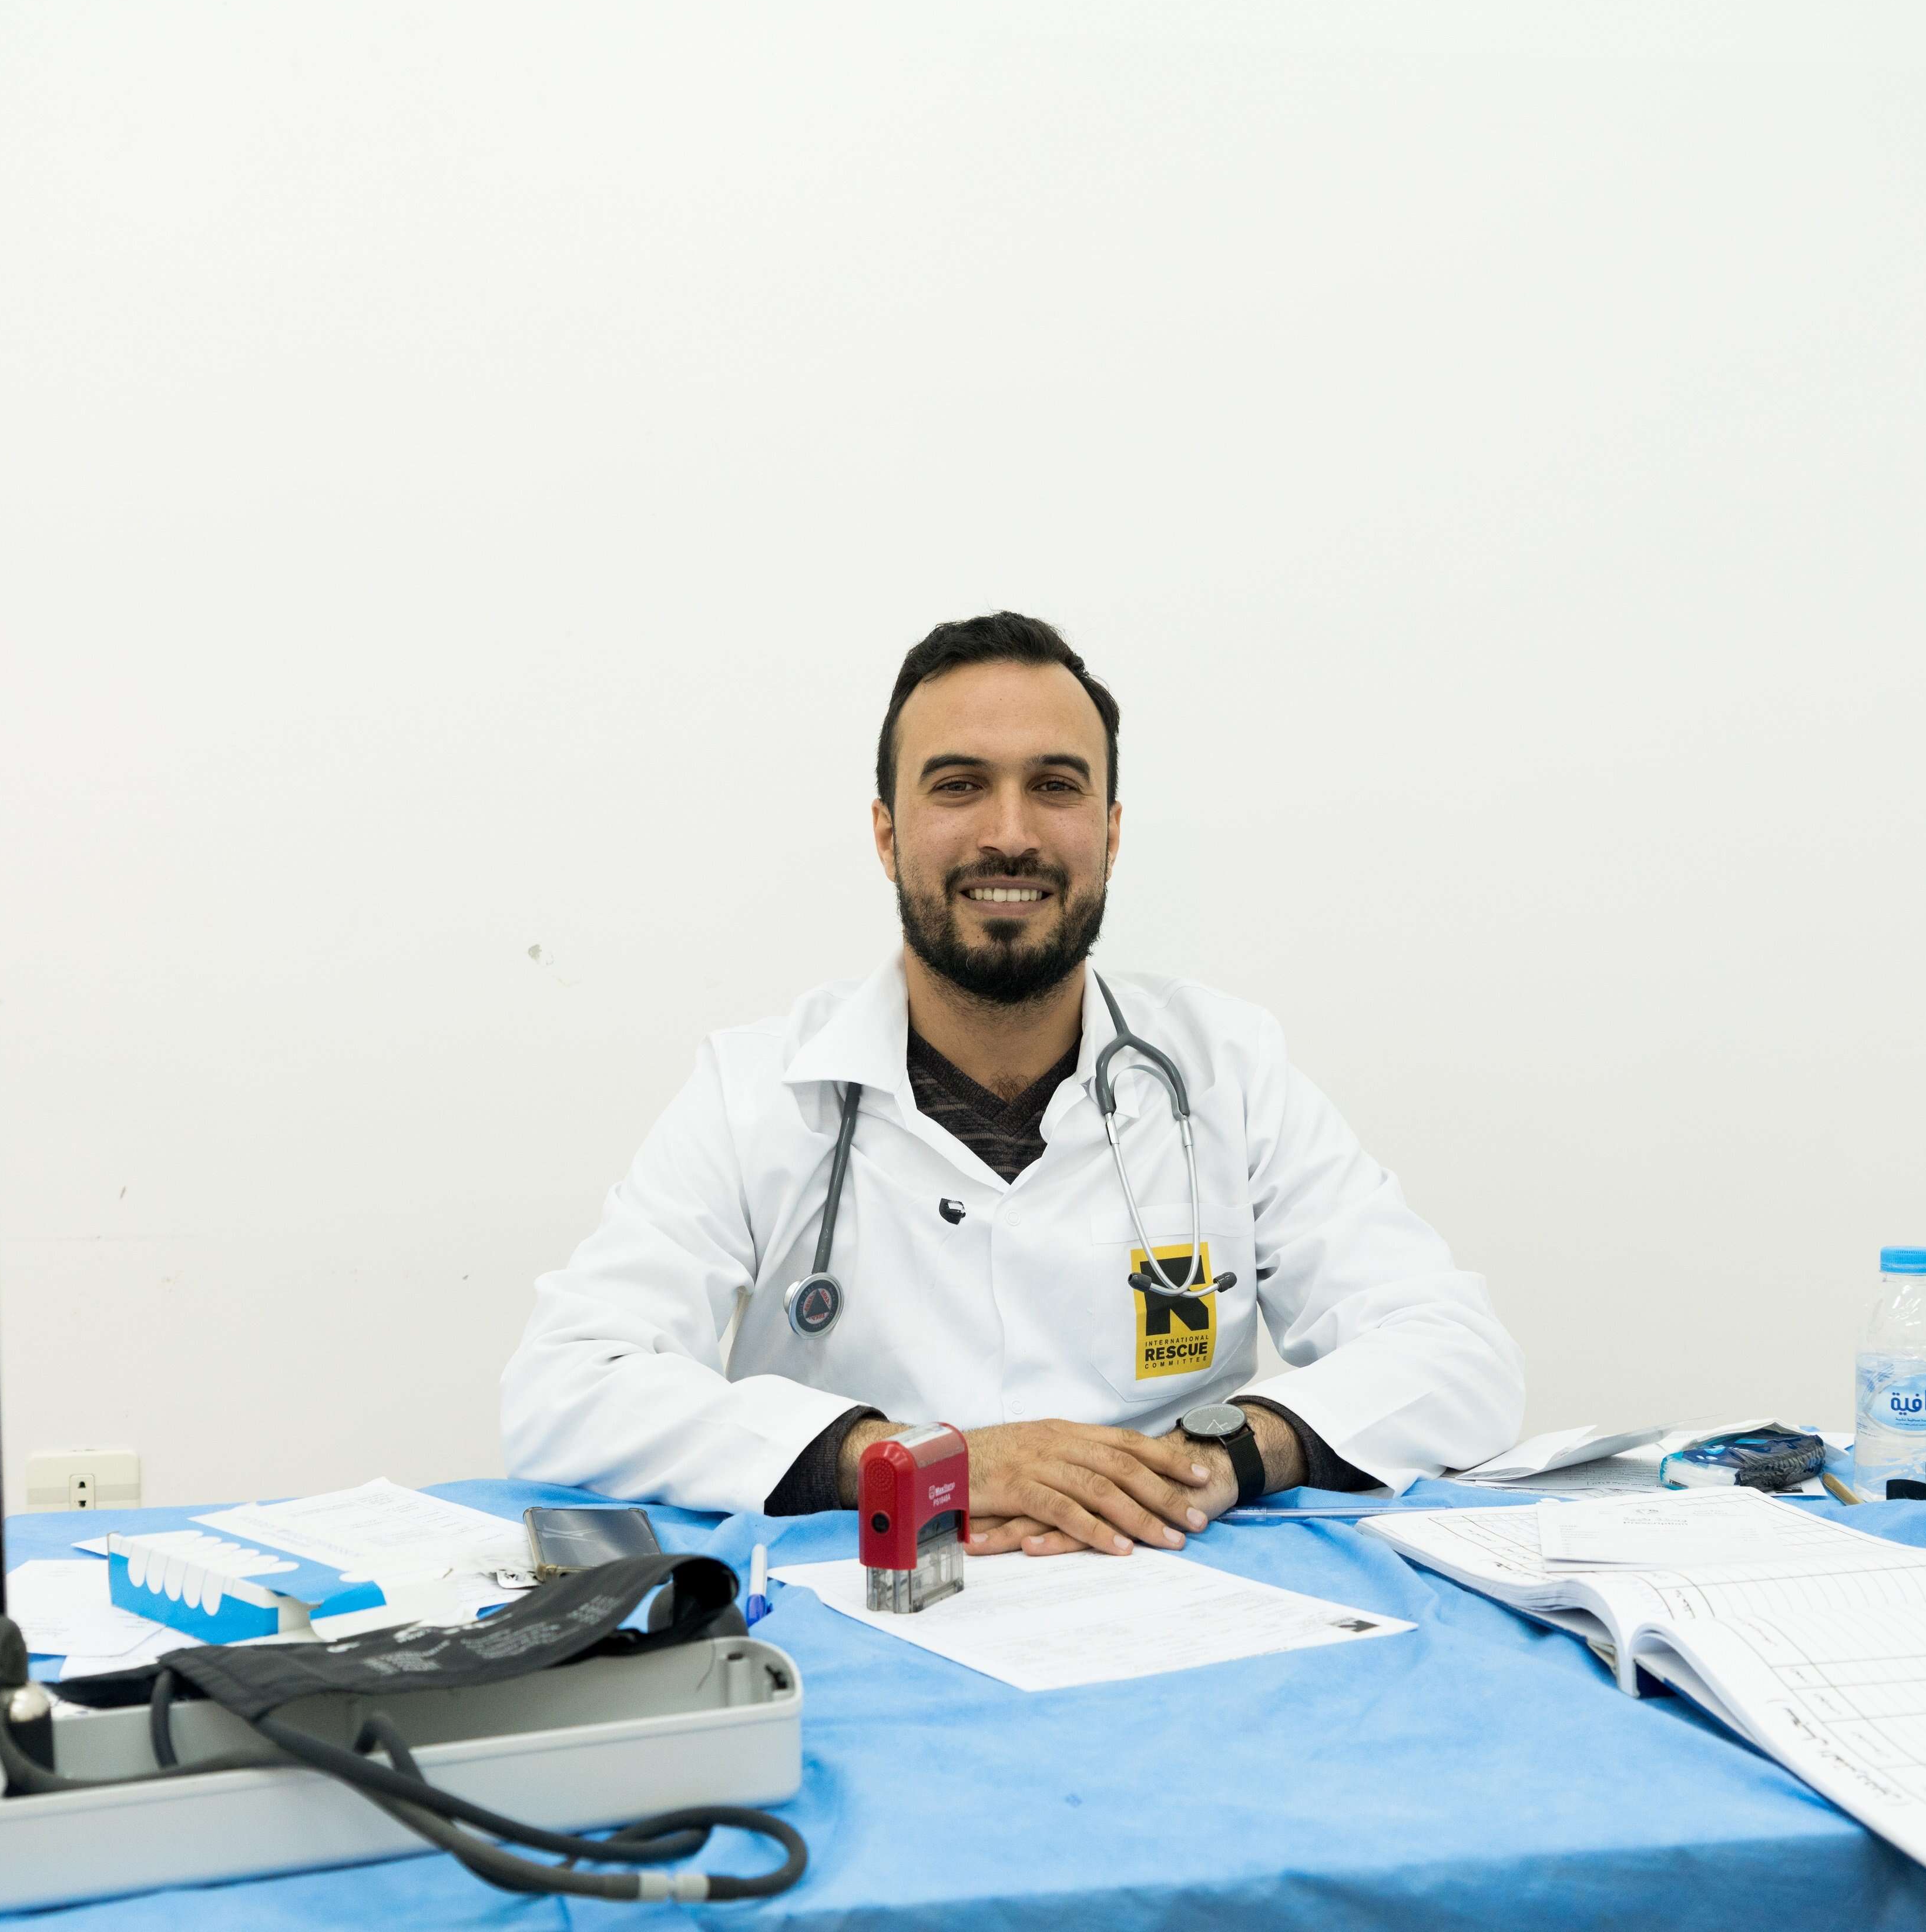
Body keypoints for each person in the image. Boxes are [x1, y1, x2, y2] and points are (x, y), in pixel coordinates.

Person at [500, 613, 1522, 1555]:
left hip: (1172, 1588)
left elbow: (1456, 1354)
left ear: (1111, 832)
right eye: (957, 786)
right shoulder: (758, 1088)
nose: (1011, 834)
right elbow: (566, 1387)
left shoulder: (1225, 1069)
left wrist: (1216, 1457)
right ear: (886, 833)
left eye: (1056, 785)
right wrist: (909, 1460)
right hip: (867, 1610)